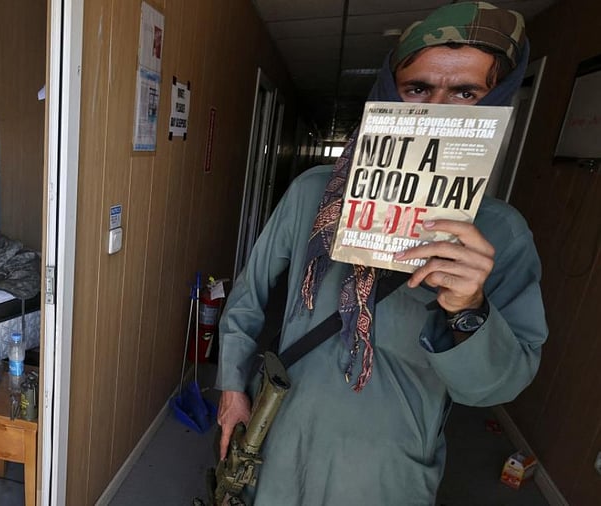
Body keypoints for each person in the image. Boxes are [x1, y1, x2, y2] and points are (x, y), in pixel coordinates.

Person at [215, 2, 548, 504]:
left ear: (495, 101)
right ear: (391, 92)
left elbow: (493, 389)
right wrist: (231, 387)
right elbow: (247, 295)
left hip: (388, 469)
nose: (437, 110)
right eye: (418, 89)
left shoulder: (501, 232)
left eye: (465, 92)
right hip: (283, 438)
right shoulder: (313, 194)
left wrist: (469, 312)